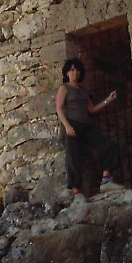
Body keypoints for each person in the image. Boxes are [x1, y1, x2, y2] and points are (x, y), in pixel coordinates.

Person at [55, 58, 120, 197]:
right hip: (71, 124)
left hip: (85, 125)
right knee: (73, 157)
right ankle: (76, 189)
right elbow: (59, 108)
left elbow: (91, 109)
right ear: (67, 73)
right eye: (72, 70)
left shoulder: (83, 90)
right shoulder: (64, 88)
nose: (75, 72)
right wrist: (67, 126)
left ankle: (106, 180)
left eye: (77, 69)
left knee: (108, 145)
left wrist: (108, 99)